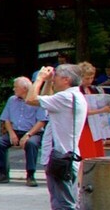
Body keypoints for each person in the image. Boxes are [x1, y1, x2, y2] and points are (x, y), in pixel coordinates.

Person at [25, 64, 88, 210]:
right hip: (66, 157)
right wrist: (48, 82)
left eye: (56, 77)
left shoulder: (65, 97)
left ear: (66, 80)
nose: (54, 80)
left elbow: (31, 99)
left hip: (60, 158)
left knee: (64, 205)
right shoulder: (73, 96)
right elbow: (47, 100)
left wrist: (40, 78)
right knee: (64, 202)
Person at [0, 76, 48, 186]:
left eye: (16, 87)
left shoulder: (37, 100)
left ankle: (30, 175)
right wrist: (12, 133)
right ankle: (2, 173)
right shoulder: (12, 100)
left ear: (25, 88)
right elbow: (6, 119)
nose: (13, 89)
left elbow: (41, 121)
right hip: (15, 131)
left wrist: (28, 134)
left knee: (31, 143)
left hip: (33, 132)